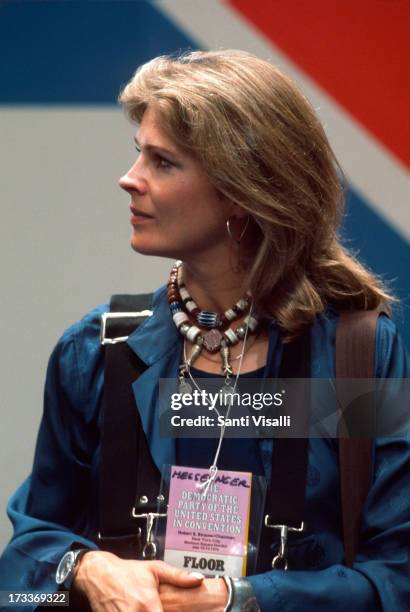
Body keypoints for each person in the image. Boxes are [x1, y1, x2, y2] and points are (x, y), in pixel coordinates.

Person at [0, 49, 409, 612]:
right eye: (137, 153)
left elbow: (396, 579)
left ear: (242, 193)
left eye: (162, 162)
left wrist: (238, 600)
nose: (129, 179)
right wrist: (87, 569)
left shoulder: (355, 354)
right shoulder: (97, 354)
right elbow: (20, 575)